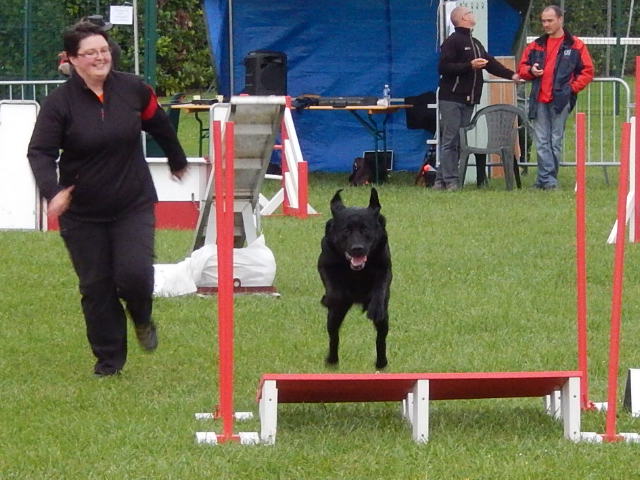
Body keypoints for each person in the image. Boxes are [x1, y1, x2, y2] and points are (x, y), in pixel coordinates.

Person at [28, 22, 187, 377]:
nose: (101, 58)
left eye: (104, 51)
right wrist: (52, 193)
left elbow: (159, 124)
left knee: (134, 275)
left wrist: (177, 160)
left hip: (132, 202)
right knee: (96, 287)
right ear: (72, 60)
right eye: (90, 53)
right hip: (82, 212)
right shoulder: (59, 104)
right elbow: (40, 152)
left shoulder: (133, 90)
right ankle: (109, 362)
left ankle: (142, 317)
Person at [435, 6, 520, 191]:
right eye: (469, 13)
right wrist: (469, 65)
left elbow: (491, 64)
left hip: (468, 99)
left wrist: (512, 75)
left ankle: (441, 180)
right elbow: (444, 68)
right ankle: (450, 180)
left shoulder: (475, 43)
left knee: (458, 139)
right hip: (451, 98)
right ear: (463, 18)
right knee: (451, 139)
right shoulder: (453, 41)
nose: (473, 14)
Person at [518, 5, 594, 190]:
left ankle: (546, 179)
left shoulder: (576, 45)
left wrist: (571, 89)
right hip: (539, 99)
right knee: (542, 140)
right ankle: (547, 180)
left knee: (554, 140)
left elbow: (588, 71)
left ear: (560, 20)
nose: (546, 24)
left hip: (561, 99)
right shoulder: (535, 45)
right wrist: (531, 71)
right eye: (543, 21)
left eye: (550, 20)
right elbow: (522, 68)